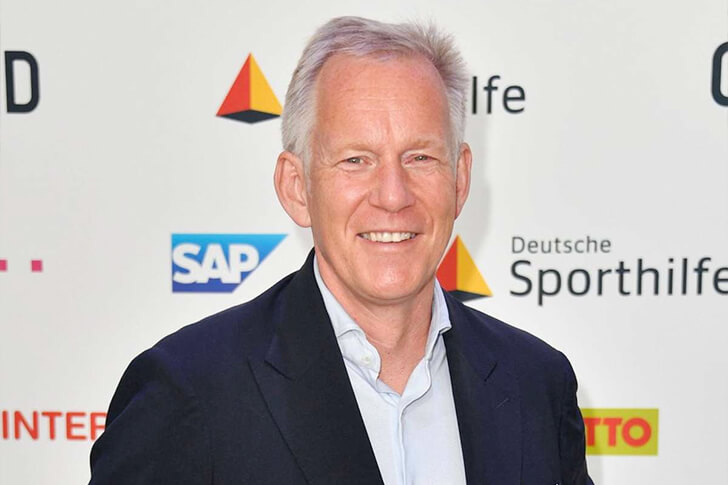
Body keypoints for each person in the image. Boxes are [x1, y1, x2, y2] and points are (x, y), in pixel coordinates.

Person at [89, 16, 593, 485]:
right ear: (296, 187)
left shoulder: (537, 384)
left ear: (460, 179)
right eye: (356, 160)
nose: (393, 196)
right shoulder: (189, 390)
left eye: (420, 157)